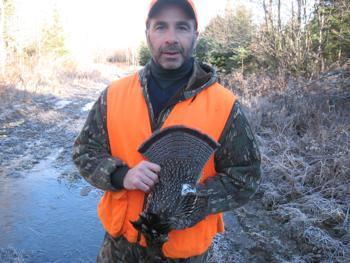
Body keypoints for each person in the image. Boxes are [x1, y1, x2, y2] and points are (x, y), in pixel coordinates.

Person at [73, 0, 261, 262]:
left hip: (186, 255)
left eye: (182, 27)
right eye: (161, 27)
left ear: (196, 34)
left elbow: (246, 177)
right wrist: (120, 175)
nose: (171, 39)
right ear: (147, 33)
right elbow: (84, 152)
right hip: (119, 249)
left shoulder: (224, 105)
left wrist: (194, 200)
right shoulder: (114, 95)